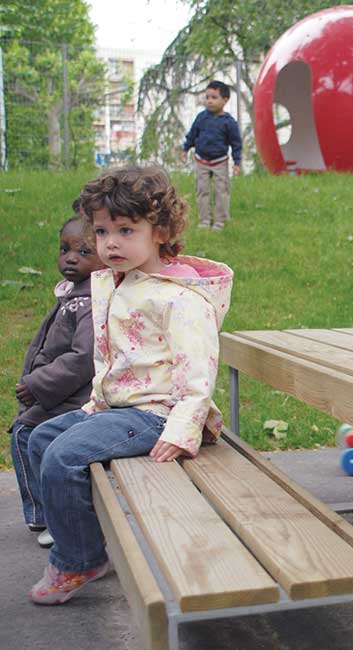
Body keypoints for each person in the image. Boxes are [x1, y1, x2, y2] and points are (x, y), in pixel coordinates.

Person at [26, 165, 234, 605]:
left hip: (157, 414)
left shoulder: (178, 297)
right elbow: (115, 357)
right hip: (121, 407)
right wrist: (97, 402)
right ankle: (86, 534)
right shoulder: (118, 283)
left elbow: (198, 374)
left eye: (125, 229)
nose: (111, 243)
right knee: (41, 437)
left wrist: (183, 429)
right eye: (101, 232)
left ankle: (78, 559)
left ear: (158, 231)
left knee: (62, 457)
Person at [8, 207, 104, 549]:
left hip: (75, 397)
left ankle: (49, 515)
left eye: (84, 252)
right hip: (60, 392)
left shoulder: (87, 301)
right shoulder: (73, 294)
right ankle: (45, 513)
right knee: (25, 432)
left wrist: (37, 383)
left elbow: (82, 360)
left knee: (25, 434)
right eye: (65, 249)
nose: (71, 258)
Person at [181, 80, 243, 231]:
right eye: (207, 97)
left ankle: (220, 221)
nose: (209, 101)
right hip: (201, 160)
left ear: (225, 100)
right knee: (202, 190)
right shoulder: (201, 118)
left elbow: (236, 144)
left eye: (214, 97)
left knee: (221, 191)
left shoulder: (229, 123)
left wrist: (237, 163)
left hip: (220, 161)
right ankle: (204, 220)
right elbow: (192, 135)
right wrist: (185, 149)